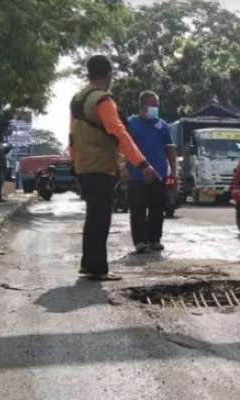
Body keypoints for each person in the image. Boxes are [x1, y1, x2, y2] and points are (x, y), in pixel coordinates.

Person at [68, 54, 160, 281]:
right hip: (100, 166)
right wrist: (142, 163)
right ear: (109, 76)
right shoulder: (102, 100)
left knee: (94, 216)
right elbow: (119, 134)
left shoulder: (78, 98)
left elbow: (71, 136)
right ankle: (97, 269)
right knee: (100, 218)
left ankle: (89, 264)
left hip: (83, 165)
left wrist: (74, 163)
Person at [124, 90, 177, 253]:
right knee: (138, 209)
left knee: (157, 207)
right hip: (136, 174)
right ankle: (140, 241)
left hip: (159, 175)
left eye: (157, 106)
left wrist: (174, 172)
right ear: (142, 105)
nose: (155, 109)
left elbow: (170, 150)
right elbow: (122, 147)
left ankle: (154, 239)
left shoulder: (162, 126)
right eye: (152, 105)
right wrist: (123, 167)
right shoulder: (130, 124)